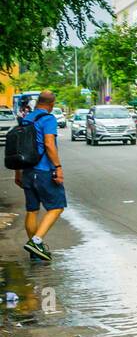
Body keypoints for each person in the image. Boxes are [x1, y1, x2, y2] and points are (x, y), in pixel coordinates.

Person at [15, 90, 65, 261]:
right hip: (43, 171)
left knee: (32, 210)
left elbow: (18, 147)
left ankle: (35, 251)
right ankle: (36, 241)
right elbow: (49, 144)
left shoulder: (26, 119)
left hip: (27, 171)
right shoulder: (48, 119)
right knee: (57, 207)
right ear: (51, 105)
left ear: (37, 103)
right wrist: (58, 167)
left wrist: (18, 171)